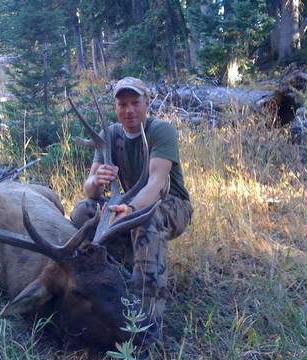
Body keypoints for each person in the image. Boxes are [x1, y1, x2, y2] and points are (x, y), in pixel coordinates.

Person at [70, 76, 193, 337]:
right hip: (127, 204)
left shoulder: (161, 131)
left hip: (171, 205)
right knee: (83, 212)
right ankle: (116, 276)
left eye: (135, 102)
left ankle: (148, 322)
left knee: (145, 220)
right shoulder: (110, 134)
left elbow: (157, 184)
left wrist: (131, 211)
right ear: (115, 107)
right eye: (122, 104)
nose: (129, 110)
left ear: (146, 102)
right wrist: (96, 180)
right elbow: (90, 190)